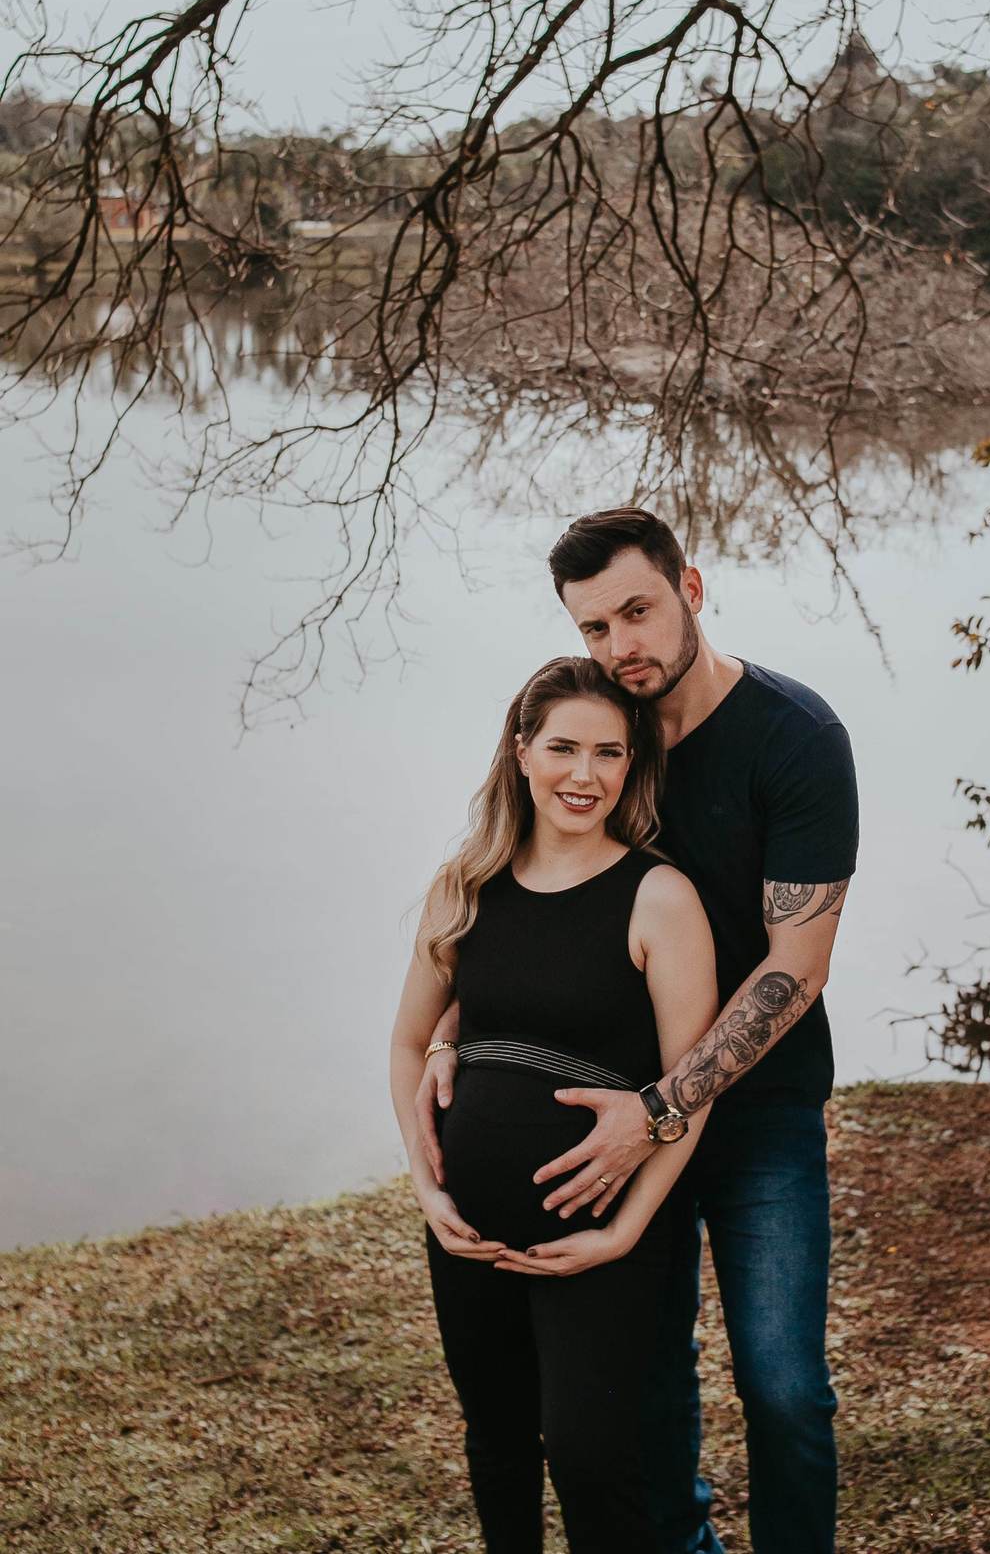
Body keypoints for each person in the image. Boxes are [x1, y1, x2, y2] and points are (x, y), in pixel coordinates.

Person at [418, 510, 859, 1554]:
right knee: (642, 1394)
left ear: (691, 588)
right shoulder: (596, 737)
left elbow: (794, 971)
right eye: (595, 627)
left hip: (755, 1116)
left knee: (785, 1387)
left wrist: (661, 1110)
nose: (622, 646)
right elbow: (521, 895)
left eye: (638, 610)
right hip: (603, 1106)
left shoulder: (795, 737)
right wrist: (450, 1027)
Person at [390, 654, 718, 1554]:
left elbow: (692, 1096)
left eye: (609, 754)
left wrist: (623, 1233)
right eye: (565, 749)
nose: (586, 775)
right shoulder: (464, 888)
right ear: (522, 751)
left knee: (588, 1456)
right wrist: (430, 1193)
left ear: (630, 767)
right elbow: (408, 1045)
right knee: (498, 1445)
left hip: (598, 1237)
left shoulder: (659, 897)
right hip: (469, 1233)